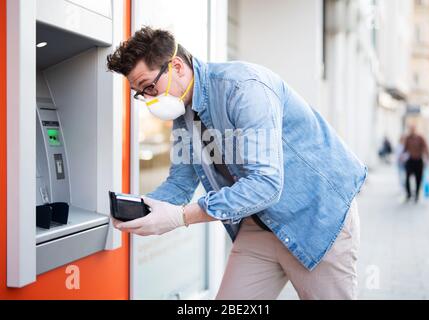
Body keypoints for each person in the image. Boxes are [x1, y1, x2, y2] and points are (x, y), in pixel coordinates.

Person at [106, 27, 367, 300]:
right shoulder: (182, 114)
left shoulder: (245, 88)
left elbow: (265, 184)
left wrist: (181, 217)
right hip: (260, 222)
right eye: (140, 93)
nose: (148, 99)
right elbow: (180, 183)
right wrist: (143, 209)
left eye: (149, 87)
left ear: (177, 67)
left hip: (316, 217)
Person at [403, 125, 429, 203]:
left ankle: (417, 195)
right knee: (407, 178)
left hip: (418, 160)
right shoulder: (408, 138)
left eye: (413, 129)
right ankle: (409, 194)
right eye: (410, 129)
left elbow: (425, 147)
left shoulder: (420, 138)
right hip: (410, 160)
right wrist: (402, 156)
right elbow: (405, 149)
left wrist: (427, 157)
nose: (412, 130)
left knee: (418, 179)